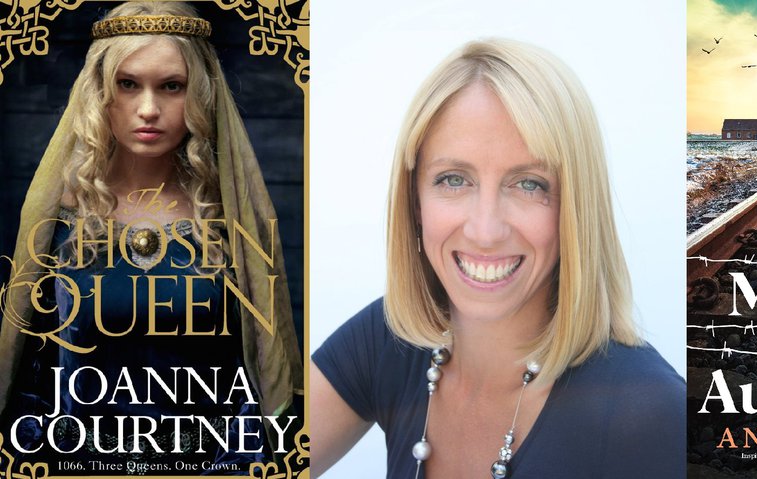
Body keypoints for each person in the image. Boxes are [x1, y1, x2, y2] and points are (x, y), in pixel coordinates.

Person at [311, 39, 685, 478]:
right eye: (454, 179)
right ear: (414, 200)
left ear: (576, 208)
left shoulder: (649, 414)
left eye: (529, 184)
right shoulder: (389, 338)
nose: (485, 231)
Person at [0, 1, 302, 469]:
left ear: (199, 94)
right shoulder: (55, 220)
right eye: (128, 84)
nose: (148, 109)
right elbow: (33, 373)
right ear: (100, 91)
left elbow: (260, 373)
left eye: (171, 87)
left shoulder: (232, 221)